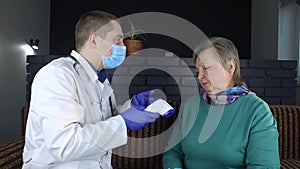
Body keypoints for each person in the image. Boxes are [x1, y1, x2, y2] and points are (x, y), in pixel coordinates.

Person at [22, 10, 162, 169]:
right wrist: (123, 121)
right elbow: (65, 145)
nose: (123, 47)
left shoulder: (100, 79)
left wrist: (130, 108)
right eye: (117, 41)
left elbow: (100, 120)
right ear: (94, 41)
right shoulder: (57, 75)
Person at [162, 37, 280, 169]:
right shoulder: (191, 106)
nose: (200, 76)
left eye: (206, 68)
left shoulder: (257, 110)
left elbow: (264, 166)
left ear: (230, 66)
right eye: (198, 70)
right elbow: (172, 152)